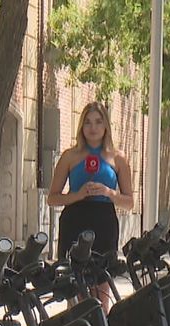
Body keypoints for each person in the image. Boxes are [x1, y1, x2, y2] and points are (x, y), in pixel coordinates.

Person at [47, 101, 135, 311]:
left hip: (104, 223)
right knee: (75, 291)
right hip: (75, 222)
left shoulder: (118, 158)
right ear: (81, 127)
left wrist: (108, 192)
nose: (92, 128)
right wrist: (77, 195)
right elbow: (53, 198)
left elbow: (129, 202)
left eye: (97, 122)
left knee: (101, 291)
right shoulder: (70, 156)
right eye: (87, 122)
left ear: (105, 126)